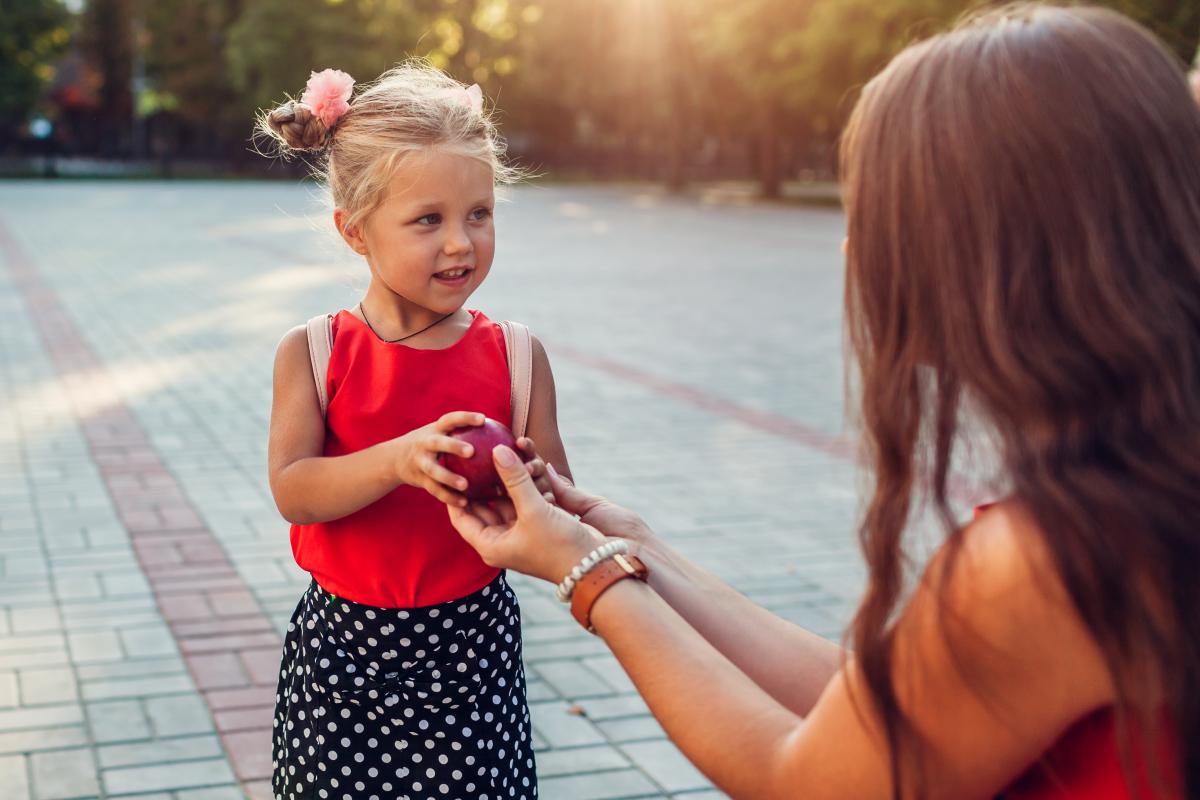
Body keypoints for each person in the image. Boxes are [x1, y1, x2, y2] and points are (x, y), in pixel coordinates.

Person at [446, 5, 1199, 799]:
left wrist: (586, 574)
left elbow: (807, 779)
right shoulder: (1147, 492)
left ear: (993, 255)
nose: (851, 247)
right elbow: (878, 713)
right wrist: (637, 550)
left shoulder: (1057, 557)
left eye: (879, 215)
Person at [260, 63, 569, 799]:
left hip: (472, 657)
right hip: (343, 662)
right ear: (355, 231)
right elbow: (294, 490)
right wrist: (399, 459)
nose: (461, 243)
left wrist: (531, 488)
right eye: (429, 220)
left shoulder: (516, 355)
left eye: (479, 214)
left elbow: (557, 502)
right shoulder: (315, 352)